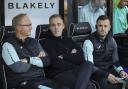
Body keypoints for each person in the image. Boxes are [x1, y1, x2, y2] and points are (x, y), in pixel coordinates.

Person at [2, 13, 69, 89]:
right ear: (18, 28)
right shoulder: (7, 45)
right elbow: (19, 67)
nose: (31, 28)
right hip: (21, 82)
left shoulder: (34, 41)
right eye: (28, 25)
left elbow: (47, 61)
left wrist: (29, 60)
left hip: (40, 79)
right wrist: (38, 59)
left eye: (30, 24)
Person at [40, 14, 93, 89]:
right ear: (49, 27)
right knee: (88, 86)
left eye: (59, 24)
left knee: (88, 64)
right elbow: (55, 62)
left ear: (63, 26)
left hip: (74, 70)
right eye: (53, 25)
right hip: (59, 74)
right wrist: (73, 61)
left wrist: (64, 56)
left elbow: (80, 57)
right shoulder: (45, 42)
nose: (56, 28)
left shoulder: (68, 40)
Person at [83, 15, 128, 89]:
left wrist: (121, 72)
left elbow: (115, 61)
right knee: (105, 84)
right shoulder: (88, 42)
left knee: (126, 79)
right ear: (96, 27)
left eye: (105, 26)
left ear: (109, 27)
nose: (103, 28)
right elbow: (89, 66)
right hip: (95, 73)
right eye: (100, 26)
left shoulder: (112, 41)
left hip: (108, 70)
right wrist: (107, 75)